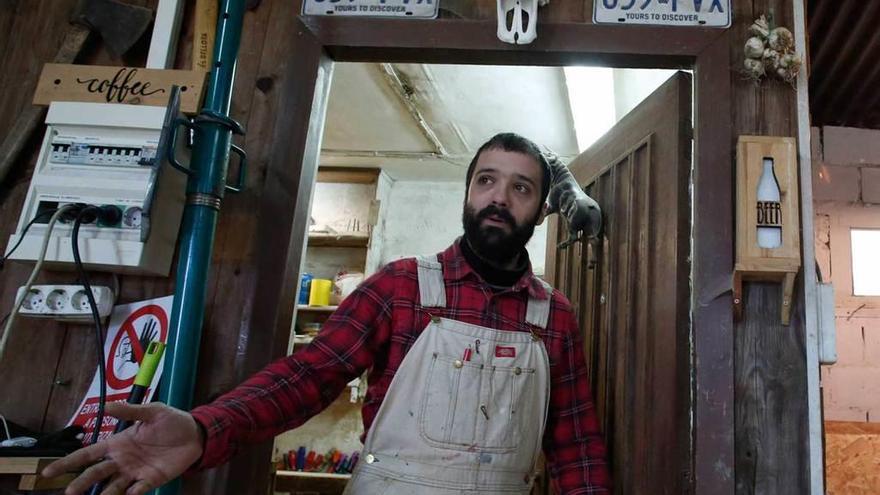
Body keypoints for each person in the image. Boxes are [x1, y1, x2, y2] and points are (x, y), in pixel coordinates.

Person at [43, 133, 611, 494]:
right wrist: (202, 427)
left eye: (520, 188)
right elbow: (307, 377)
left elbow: (575, 443)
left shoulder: (553, 314)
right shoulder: (401, 286)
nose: (498, 198)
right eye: (486, 181)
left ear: (540, 211)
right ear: (466, 195)